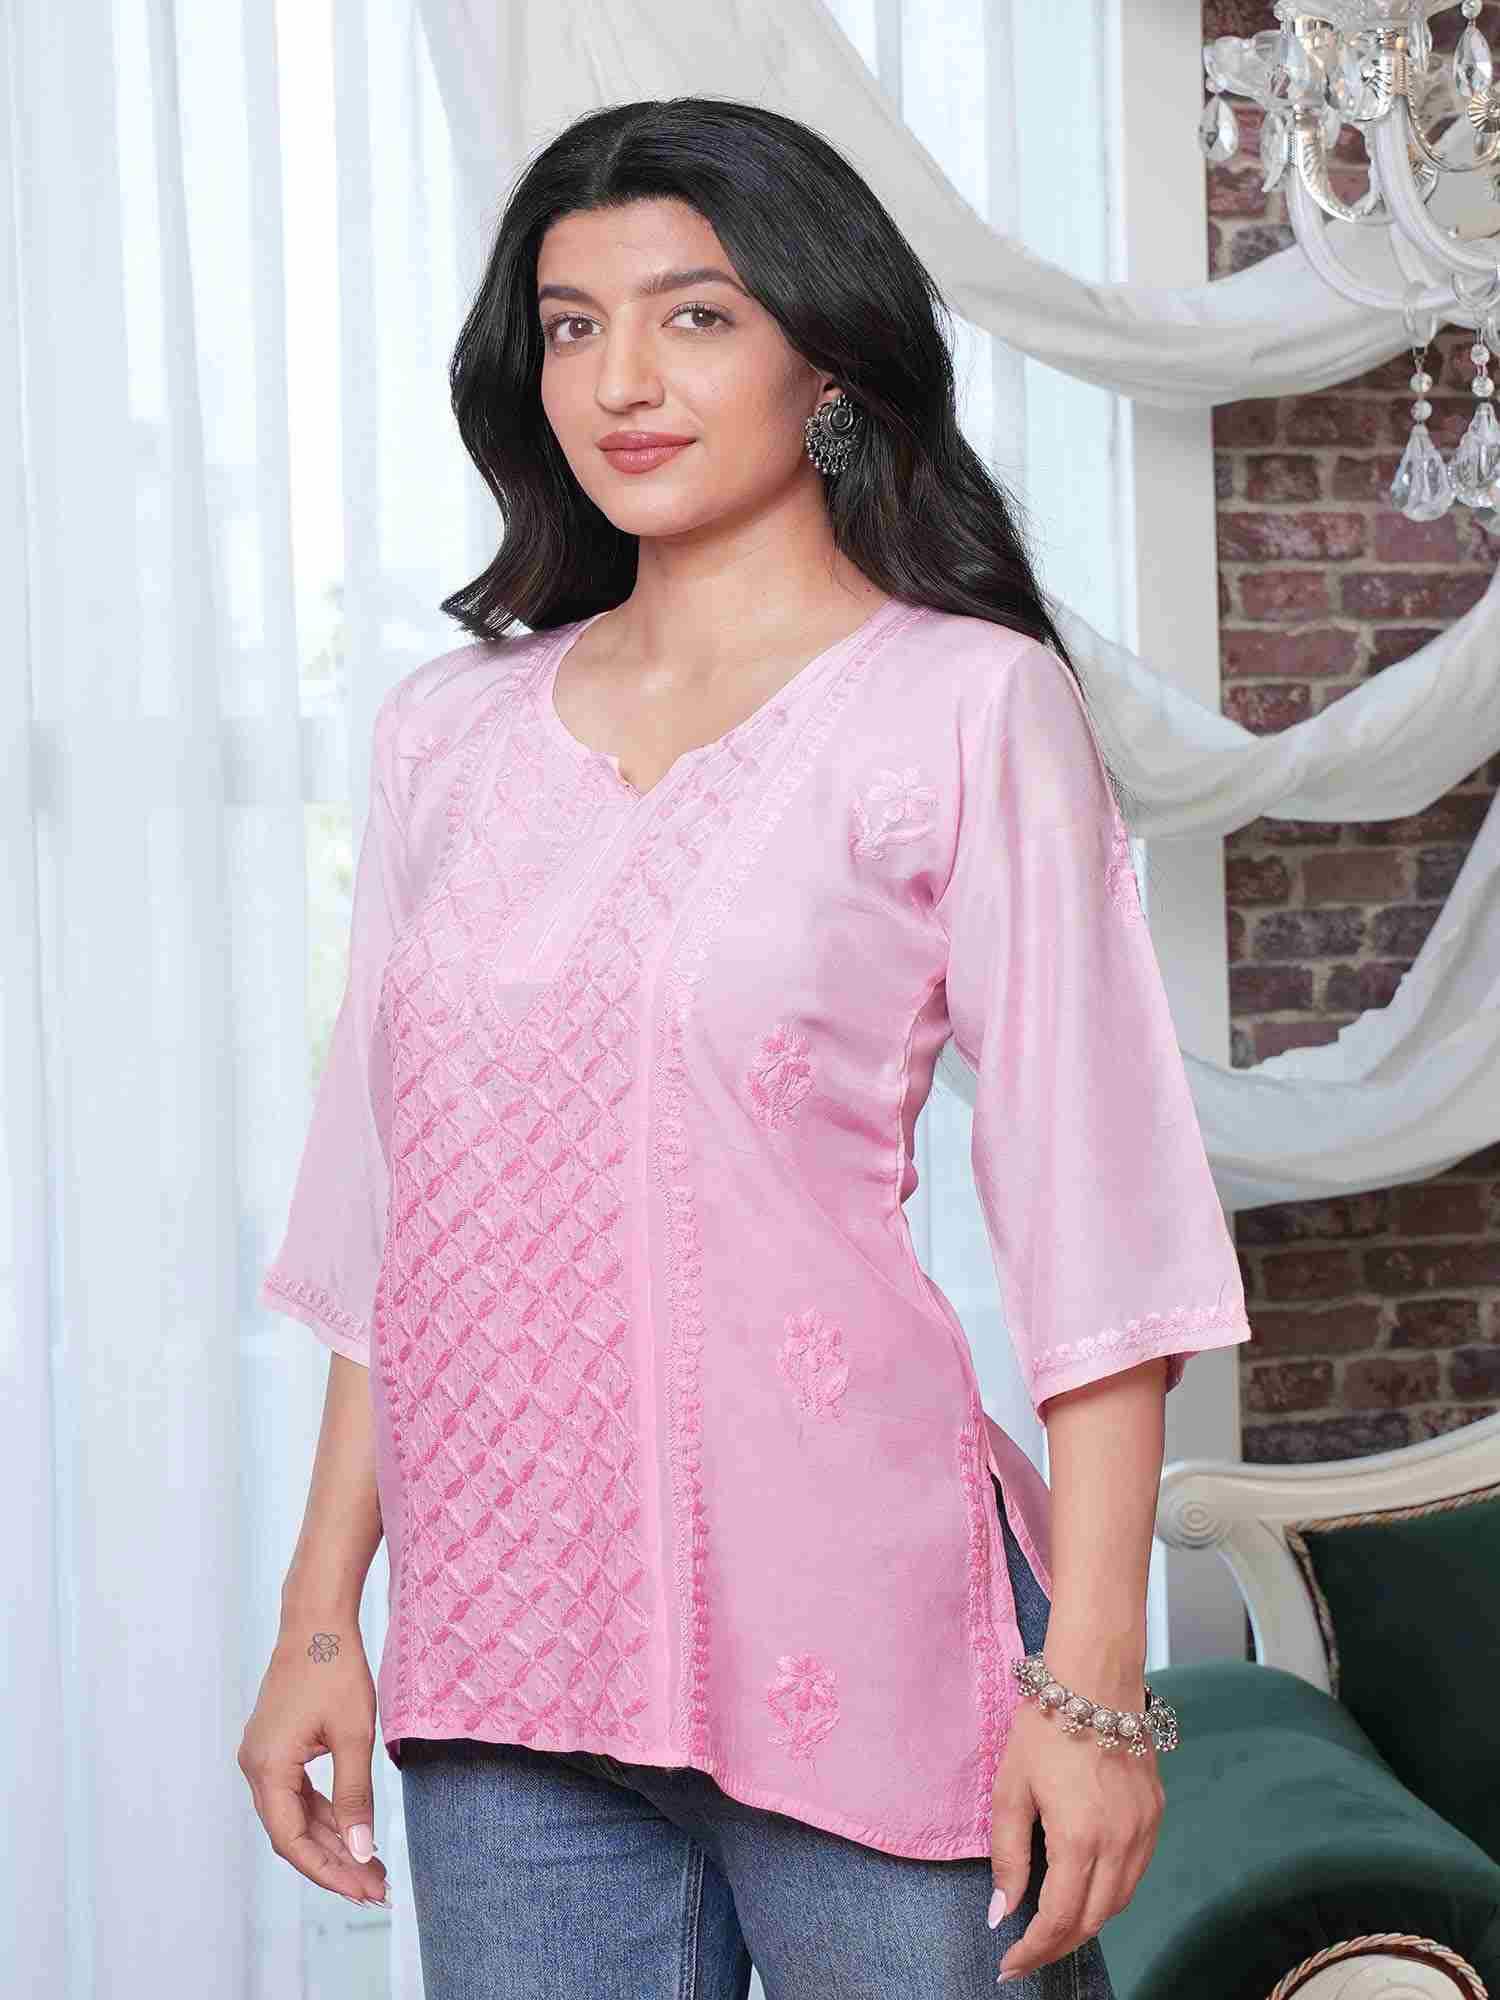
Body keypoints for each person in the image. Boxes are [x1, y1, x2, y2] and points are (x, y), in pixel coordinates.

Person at [237, 95, 1253, 1998]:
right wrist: (317, 1619)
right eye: (571, 325)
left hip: (863, 1638)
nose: (621, 379)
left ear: (828, 359)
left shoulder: (966, 707)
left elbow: (1101, 1227)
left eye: (694, 315)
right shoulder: (447, 737)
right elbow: (395, 1223)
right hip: (504, 1663)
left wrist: (1096, 1684)